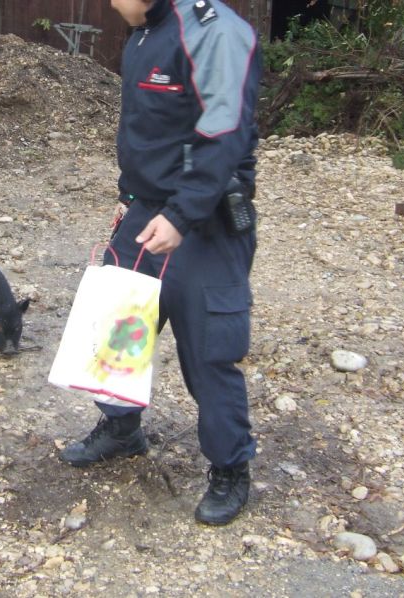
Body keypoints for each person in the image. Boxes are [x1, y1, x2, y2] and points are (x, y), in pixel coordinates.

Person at [60, 0, 261, 526]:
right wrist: (132, 198)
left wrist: (183, 213)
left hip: (206, 219)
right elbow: (151, 130)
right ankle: (122, 427)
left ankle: (230, 466)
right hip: (146, 209)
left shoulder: (216, 33)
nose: (110, 3)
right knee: (118, 325)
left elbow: (223, 133)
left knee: (210, 350)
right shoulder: (146, 31)